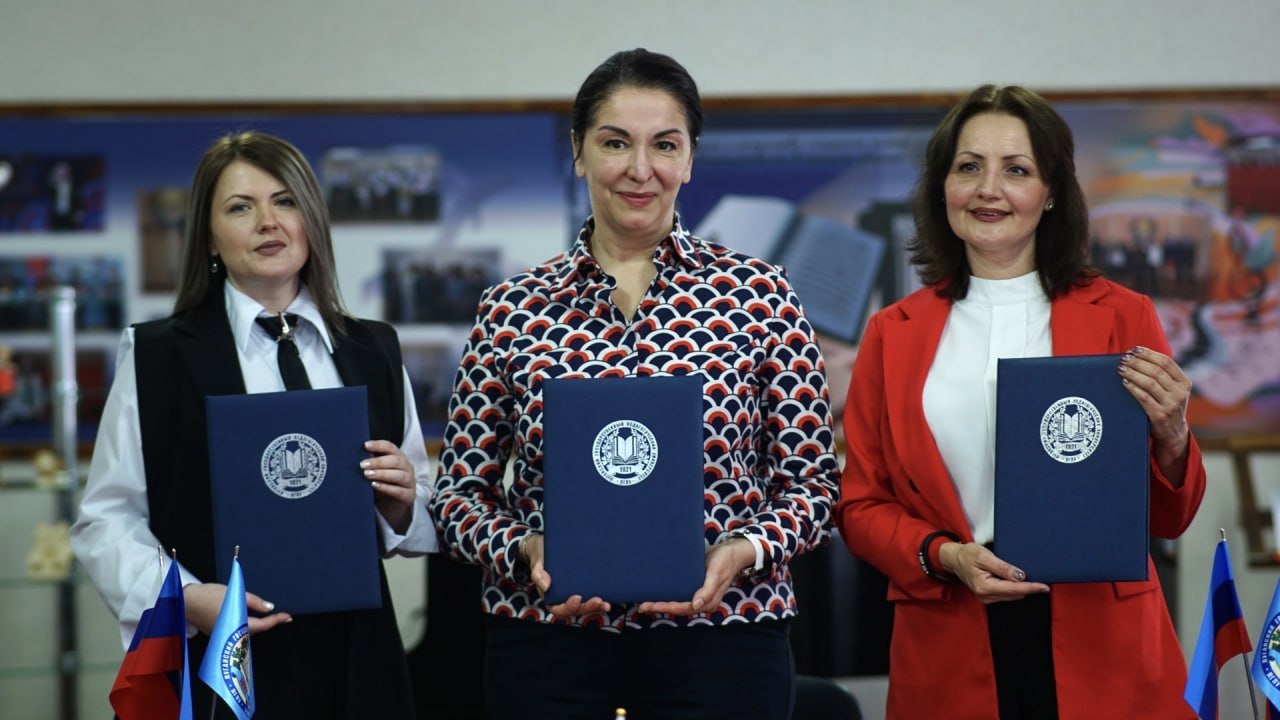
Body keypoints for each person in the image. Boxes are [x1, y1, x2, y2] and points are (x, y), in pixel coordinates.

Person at [429, 48, 840, 719]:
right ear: (578, 151)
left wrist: (743, 550)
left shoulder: (760, 295)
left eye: (665, 145)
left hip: (725, 637)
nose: (640, 169)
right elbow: (458, 497)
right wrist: (525, 548)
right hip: (549, 639)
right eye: (615, 142)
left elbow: (815, 485)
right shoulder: (512, 307)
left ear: (690, 158)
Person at [836, 85, 1206, 720]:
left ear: (1052, 191)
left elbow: (1170, 518)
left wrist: (1173, 437)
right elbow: (861, 505)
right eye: (968, 167)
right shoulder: (891, 333)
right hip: (951, 627)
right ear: (942, 186)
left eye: (1016, 170)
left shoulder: (1123, 315)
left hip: (1102, 639)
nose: (989, 189)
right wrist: (945, 555)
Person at [70, 131, 438, 719]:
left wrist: (401, 504)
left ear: (311, 219)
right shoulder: (158, 354)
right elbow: (106, 519)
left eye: (285, 201)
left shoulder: (372, 348)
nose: (269, 221)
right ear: (209, 235)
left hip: (355, 654)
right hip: (219, 652)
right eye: (241, 207)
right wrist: (186, 598)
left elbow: (418, 514)